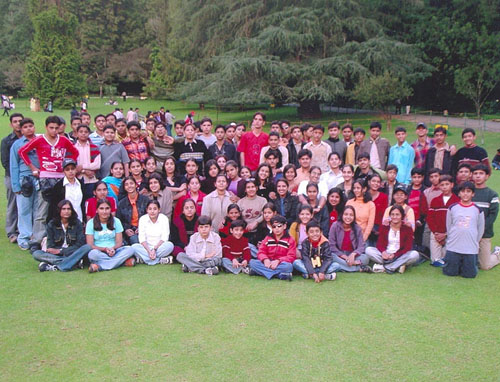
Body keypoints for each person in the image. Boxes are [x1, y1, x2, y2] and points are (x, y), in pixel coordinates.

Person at [10, 118, 44, 250]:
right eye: (25, 127)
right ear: (21, 130)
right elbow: (13, 166)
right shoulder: (17, 144)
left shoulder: (40, 141)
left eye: (31, 126)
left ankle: (36, 237)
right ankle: (24, 237)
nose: (29, 129)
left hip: (40, 179)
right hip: (24, 179)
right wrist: (16, 186)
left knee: (38, 209)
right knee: (24, 209)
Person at [33, 200, 91, 272]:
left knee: (87, 247)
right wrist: (57, 252)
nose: (66, 211)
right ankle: (72, 262)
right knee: (36, 253)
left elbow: (80, 244)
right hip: (57, 255)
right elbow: (50, 246)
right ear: (59, 210)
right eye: (64, 209)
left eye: (68, 209)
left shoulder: (77, 223)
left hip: (72, 252)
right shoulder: (52, 224)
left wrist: (61, 251)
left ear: (71, 211)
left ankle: (57, 266)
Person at [443, 182, 485, 278]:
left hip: (470, 247)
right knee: (450, 273)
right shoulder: (452, 208)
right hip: (454, 246)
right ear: (459, 193)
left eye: (468, 191)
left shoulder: (478, 210)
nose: (465, 194)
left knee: (469, 275)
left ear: (473, 194)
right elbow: (449, 226)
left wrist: (475, 241)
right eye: (463, 191)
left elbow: (480, 228)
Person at [366, 205, 420, 274]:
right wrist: (383, 252)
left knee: (414, 254)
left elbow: (407, 247)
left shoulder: (407, 228)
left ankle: (386, 267)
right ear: (390, 215)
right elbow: (379, 243)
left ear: (402, 216)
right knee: (368, 250)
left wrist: (395, 255)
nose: (394, 217)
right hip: (385, 255)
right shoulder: (385, 226)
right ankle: (397, 266)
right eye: (392, 214)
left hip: (399, 255)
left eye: (397, 215)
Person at [86, 199, 136, 272]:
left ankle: (100, 266)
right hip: (99, 252)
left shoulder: (116, 221)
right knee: (92, 254)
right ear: (97, 210)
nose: (104, 211)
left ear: (110, 210)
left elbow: (119, 242)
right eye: (101, 208)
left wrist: (112, 248)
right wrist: (105, 249)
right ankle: (122, 263)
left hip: (115, 250)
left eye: (107, 208)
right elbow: (90, 245)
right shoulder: (90, 223)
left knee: (130, 249)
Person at [249, 215, 296, 281]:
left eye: (279, 226)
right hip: (268, 262)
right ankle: (279, 275)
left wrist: (278, 261)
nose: (277, 228)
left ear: (284, 226)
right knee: (252, 263)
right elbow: (261, 252)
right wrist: (265, 259)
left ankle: (260, 272)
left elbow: (291, 256)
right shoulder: (268, 238)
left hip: (281, 263)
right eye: (274, 227)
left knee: (289, 267)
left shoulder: (290, 240)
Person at [471, 164, 499, 270]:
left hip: (484, 234)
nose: (478, 176)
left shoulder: (492, 194)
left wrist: (479, 232)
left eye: (481, 174)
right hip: (469, 233)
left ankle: (497, 254)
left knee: (484, 266)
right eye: (475, 173)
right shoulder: (468, 192)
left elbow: (492, 216)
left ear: (487, 176)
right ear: (472, 176)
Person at [427, 175, 459, 267]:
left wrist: (445, 234)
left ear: (452, 185)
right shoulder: (435, 200)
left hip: (450, 234)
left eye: (447, 184)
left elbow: (456, 221)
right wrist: (436, 233)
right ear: (439, 186)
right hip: (436, 234)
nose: (444, 187)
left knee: (447, 260)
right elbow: (430, 218)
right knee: (435, 261)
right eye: (442, 185)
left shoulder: (456, 201)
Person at [329, 206, 371, 272]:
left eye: (351, 215)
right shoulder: (335, 226)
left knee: (365, 258)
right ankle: (356, 268)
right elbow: (332, 246)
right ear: (342, 215)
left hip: (353, 256)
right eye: (346, 214)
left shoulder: (357, 228)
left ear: (354, 217)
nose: (348, 217)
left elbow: (361, 246)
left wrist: (353, 254)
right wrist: (345, 257)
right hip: (339, 255)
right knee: (331, 256)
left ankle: (344, 266)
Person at [131, 200, 174, 265]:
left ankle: (144, 259)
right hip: (146, 248)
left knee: (170, 245)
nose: (152, 211)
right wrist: (149, 251)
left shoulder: (164, 218)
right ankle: (159, 260)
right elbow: (142, 239)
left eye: (155, 209)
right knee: (133, 247)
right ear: (147, 210)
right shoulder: (143, 219)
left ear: (159, 210)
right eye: (150, 209)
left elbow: (164, 237)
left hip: (160, 247)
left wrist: (154, 250)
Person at [2, 112, 24, 242]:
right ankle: (11, 232)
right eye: (15, 121)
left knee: (26, 204)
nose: (18, 124)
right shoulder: (7, 141)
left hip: (27, 177)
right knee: (13, 203)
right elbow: (5, 162)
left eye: (20, 121)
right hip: (11, 176)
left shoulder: (30, 139)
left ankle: (23, 230)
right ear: (11, 124)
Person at [116, 176, 150, 245]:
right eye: (126, 184)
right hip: (129, 232)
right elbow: (119, 221)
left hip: (145, 230)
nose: (129, 186)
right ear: (124, 187)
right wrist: (126, 230)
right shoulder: (121, 203)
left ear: (136, 185)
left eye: (131, 183)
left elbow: (150, 216)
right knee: (134, 239)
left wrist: (142, 228)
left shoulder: (145, 200)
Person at [74, 124, 101, 200]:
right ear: (77, 133)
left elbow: (97, 165)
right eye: (81, 132)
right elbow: (72, 166)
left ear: (89, 133)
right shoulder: (72, 147)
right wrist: (84, 171)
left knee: (91, 203)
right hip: (77, 180)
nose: (83, 133)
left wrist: (82, 167)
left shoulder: (94, 148)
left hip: (92, 180)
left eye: (86, 132)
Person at [367, 173, 388, 246]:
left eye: (378, 182)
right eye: (373, 181)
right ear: (369, 182)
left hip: (378, 229)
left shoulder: (384, 197)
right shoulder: (364, 195)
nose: (375, 183)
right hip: (365, 227)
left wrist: (380, 230)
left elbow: (384, 215)